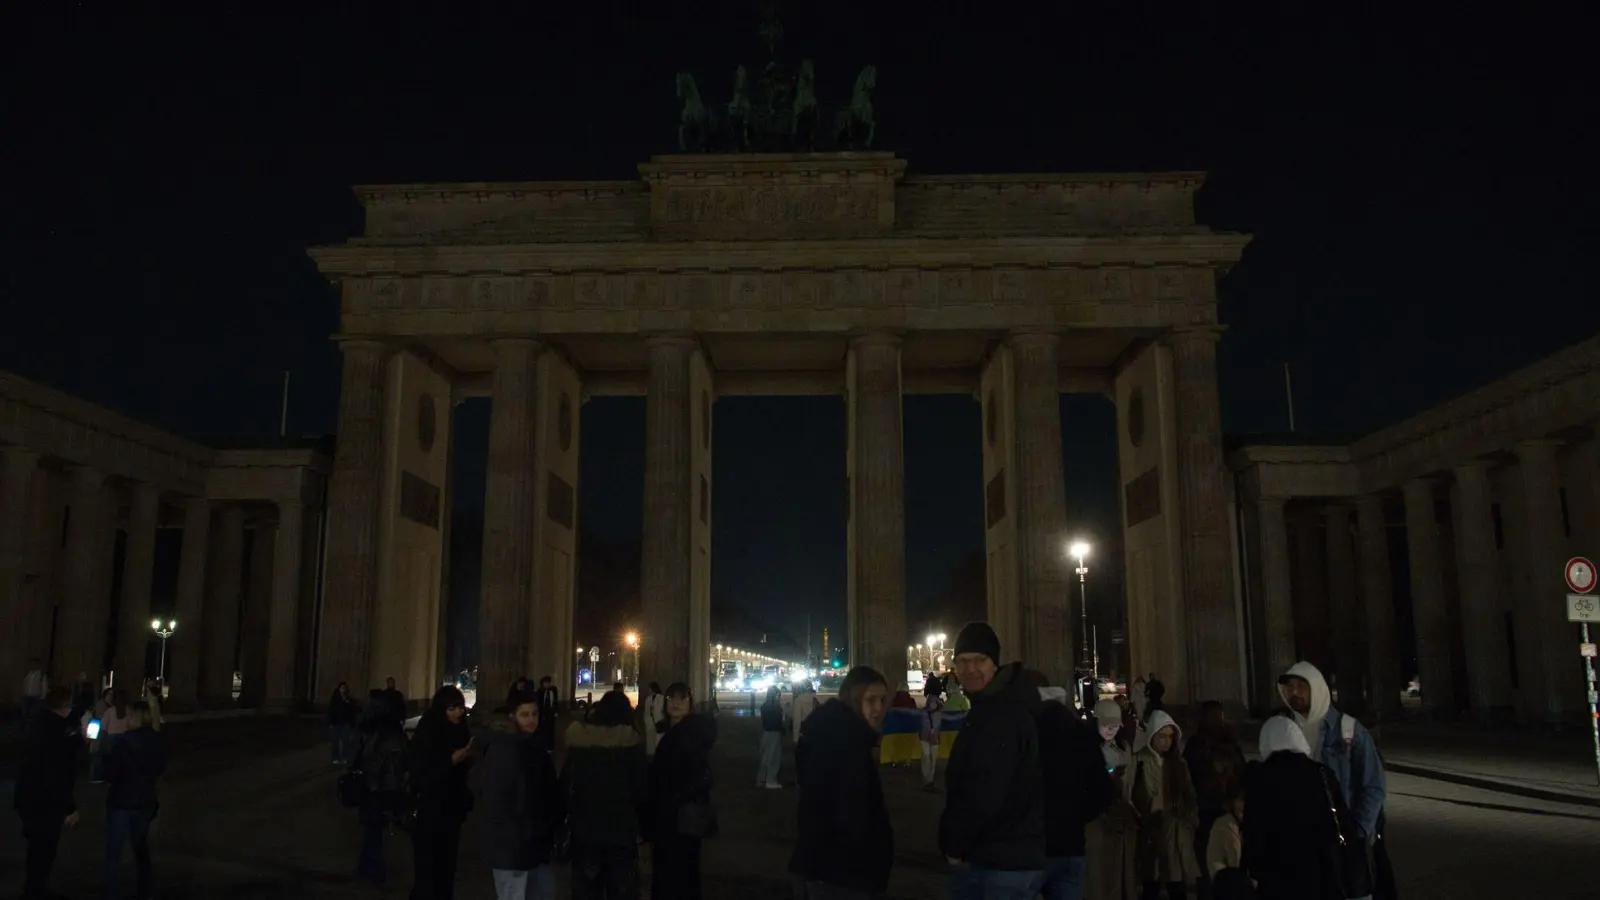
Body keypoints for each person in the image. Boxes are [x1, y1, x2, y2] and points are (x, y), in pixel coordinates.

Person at [940, 621, 1045, 900]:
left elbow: (984, 789)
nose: (969, 669)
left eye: (979, 660)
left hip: (998, 859)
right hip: (1010, 854)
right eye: (962, 661)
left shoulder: (999, 713)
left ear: (994, 664)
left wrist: (955, 844)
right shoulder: (999, 704)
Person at [1277, 659, 1387, 899]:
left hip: (1342, 838)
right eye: (1290, 687)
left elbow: (1374, 785)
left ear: (1316, 688)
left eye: (1301, 686)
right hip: (1302, 840)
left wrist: (1358, 832)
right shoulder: (1285, 730)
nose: (1294, 692)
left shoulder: (1348, 729)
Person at [789, 665, 893, 900]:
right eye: (871, 700)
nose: (878, 708)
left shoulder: (834, 734)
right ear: (853, 700)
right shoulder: (848, 744)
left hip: (825, 868)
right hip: (844, 876)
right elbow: (850, 816)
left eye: (882, 700)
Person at [1243, 716, 1362, 900]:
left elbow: (1253, 829)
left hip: (1277, 876)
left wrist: (1255, 869)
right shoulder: (1321, 773)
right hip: (1321, 871)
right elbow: (1342, 820)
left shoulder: (1259, 778)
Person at [1030, 673, 1115, 900]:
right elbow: (1104, 791)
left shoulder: (1025, 735)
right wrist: (1077, 816)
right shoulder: (1083, 735)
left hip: (1031, 847)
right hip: (1071, 845)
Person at [478, 691, 563, 900]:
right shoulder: (504, 749)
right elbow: (495, 801)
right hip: (512, 847)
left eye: (534, 714)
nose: (531, 720)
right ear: (512, 716)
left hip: (534, 843)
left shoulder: (533, 746)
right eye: (525, 715)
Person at [564, 689, 649, 899]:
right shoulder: (631, 745)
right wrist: (645, 830)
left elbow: (565, 787)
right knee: (622, 890)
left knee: (586, 891)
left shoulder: (578, 746)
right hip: (621, 832)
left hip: (584, 832)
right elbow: (642, 791)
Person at [648, 682, 717, 900]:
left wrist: (672, 798)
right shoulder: (676, 733)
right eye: (671, 699)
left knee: (675, 872)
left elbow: (699, 775)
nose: (676, 703)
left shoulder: (687, 735)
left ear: (691, 704)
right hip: (676, 816)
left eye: (682, 699)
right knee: (682, 871)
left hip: (677, 817)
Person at [14, 686, 83, 900]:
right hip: (46, 802)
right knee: (44, 849)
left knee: (37, 849)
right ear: (64, 707)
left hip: (29, 797)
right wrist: (69, 808)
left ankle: (34, 888)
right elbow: (58, 774)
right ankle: (35, 891)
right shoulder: (59, 732)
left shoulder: (37, 724)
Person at [409, 686, 474, 900]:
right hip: (430, 811)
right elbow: (420, 774)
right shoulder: (428, 731)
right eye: (452, 709)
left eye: (460, 708)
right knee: (428, 869)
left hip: (452, 811)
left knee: (447, 868)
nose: (458, 713)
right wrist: (451, 761)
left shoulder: (461, 730)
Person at [1132, 710, 1200, 900]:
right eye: (1162, 736)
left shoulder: (1178, 763)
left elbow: (1189, 794)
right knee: (1151, 877)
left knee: (1175, 877)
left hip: (1175, 827)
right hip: (1150, 827)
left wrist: (1190, 818)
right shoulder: (1140, 761)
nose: (1167, 741)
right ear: (1152, 735)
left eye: (1170, 737)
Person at [104, 700, 166, 900]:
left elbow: (111, 773)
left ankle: (112, 893)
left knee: (114, 852)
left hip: (121, 801)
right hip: (144, 800)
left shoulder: (122, 742)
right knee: (141, 848)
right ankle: (145, 890)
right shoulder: (156, 741)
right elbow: (160, 769)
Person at [1183, 700, 1246, 896]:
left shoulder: (1223, 743)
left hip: (1217, 809)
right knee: (1218, 859)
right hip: (1212, 810)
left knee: (1215, 860)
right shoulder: (1204, 744)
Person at [1086, 699, 1140, 900]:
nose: (1110, 729)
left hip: (1122, 816)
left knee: (1121, 872)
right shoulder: (1087, 748)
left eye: (1115, 725)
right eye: (1106, 724)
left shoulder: (1124, 747)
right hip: (1098, 817)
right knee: (1100, 874)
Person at [354, 701, 410, 888]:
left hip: (372, 789)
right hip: (387, 789)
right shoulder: (397, 738)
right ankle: (374, 871)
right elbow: (406, 763)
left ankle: (367, 869)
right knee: (379, 832)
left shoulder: (371, 736)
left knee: (372, 831)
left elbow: (360, 761)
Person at [918, 679, 945, 791]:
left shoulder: (929, 700)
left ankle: (928, 780)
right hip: (933, 734)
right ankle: (930, 781)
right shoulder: (937, 702)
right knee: (932, 758)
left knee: (926, 758)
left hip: (924, 733)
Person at [756, 686, 785, 789]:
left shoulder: (764, 706)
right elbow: (778, 721)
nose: (779, 697)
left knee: (765, 757)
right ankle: (770, 780)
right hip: (774, 732)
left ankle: (761, 779)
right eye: (778, 695)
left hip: (766, 732)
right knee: (773, 757)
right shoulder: (776, 707)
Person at [329, 681, 360, 765]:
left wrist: (352, 723)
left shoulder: (348, 699)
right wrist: (330, 722)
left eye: (345, 688)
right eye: (342, 688)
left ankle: (344, 757)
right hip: (336, 723)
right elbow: (331, 711)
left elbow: (351, 712)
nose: (343, 690)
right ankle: (335, 757)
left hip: (345, 723)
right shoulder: (335, 699)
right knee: (335, 742)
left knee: (345, 742)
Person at [642, 682, 665, 758]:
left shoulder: (661, 698)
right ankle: (650, 753)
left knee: (658, 738)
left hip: (659, 720)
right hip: (649, 721)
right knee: (650, 739)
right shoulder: (648, 699)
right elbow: (646, 711)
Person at [20, 657, 46, 723]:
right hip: (27, 696)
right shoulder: (28, 673)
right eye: (31, 664)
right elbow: (24, 683)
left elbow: (44, 686)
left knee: (35, 714)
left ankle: (33, 727)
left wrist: (42, 697)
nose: (33, 665)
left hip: (36, 697)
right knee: (24, 712)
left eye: (35, 664)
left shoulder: (41, 675)